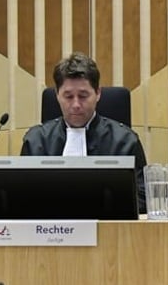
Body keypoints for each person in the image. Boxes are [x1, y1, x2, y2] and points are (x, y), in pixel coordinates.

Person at [22, 52, 147, 212]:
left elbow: (143, 199)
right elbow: (22, 197)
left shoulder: (125, 141)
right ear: (57, 95)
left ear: (98, 93)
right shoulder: (36, 141)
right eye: (68, 96)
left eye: (83, 96)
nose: (76, 104)